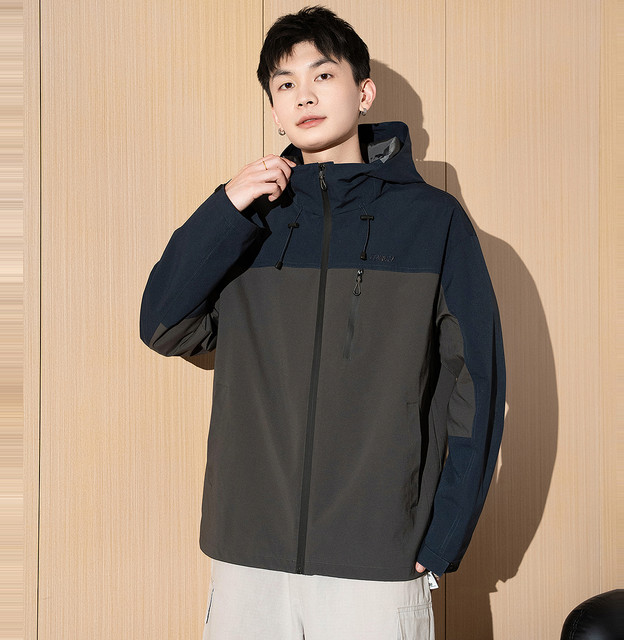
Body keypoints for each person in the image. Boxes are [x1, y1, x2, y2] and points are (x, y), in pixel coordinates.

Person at [139, 6, 506, 639]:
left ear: (364, 93)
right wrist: (227, 207)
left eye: (323, 75)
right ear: (274, 109)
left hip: (377, 555)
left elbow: (479, 380)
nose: (303, 95)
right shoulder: (251, 222)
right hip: (248, 556)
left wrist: (445, 532)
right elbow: (163, 325)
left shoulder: (433, 221)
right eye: (284, 84)